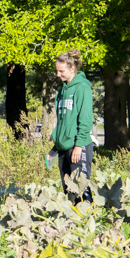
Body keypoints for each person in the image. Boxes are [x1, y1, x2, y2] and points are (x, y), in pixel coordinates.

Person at [51, 49, 94, 203]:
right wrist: (55, 147)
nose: (58, 75)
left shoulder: (82, 88)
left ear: (72, 69)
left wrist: (78, 146)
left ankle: (88, 220)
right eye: (56, 71)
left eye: (61, 71)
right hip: (63, 147)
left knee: (81, 188)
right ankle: (71, 224)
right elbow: (63, 122)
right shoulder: (62, 92)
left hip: (78, 147)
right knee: (69, 190)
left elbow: (85, 119)